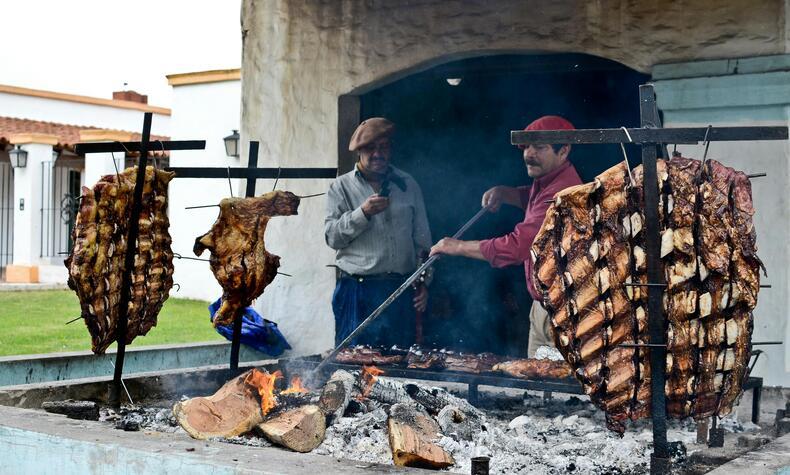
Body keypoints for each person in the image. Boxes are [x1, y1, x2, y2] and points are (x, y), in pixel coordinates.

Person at [429, 115, 582, 357]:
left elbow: (519, 246)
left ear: (563, 151)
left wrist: (456, 247)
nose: (528, 154)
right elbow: (534, 201)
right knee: (537, 387)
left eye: (539, 148)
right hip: (543, 308)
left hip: (562, 312)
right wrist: (506, 194)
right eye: (526, 147)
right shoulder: (546, 183)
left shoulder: (560, 193)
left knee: (557, 388)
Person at [325, 117, 432, 347]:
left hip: (399, 289)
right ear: (359, 152)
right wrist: (362, 213)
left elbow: (423, 242)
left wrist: (423, 282)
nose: (377, 154)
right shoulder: (340, 187)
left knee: (399, 364)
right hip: (357, 291)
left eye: (383, 147)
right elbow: (332, 237)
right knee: (353, 366)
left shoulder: (407, 184)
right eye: (370, 148)